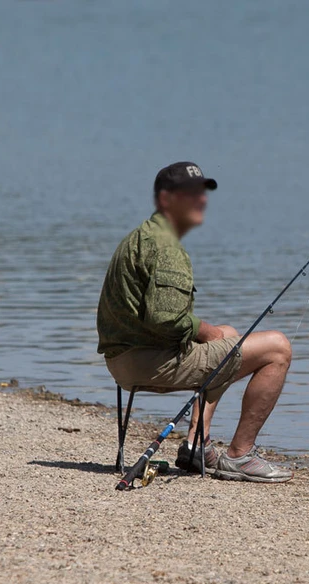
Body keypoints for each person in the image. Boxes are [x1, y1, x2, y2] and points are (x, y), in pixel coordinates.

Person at [97, 162, 293, 483]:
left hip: (122, 361)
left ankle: (195, 446)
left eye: (202, 194)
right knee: (277, 348)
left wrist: (214, 334)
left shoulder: (140, 237)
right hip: (148, 365)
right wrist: (207, 331)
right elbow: (166, 319)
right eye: (191, 195)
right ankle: (240, 454)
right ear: (165, 199)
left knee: (228, 334)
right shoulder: (167, 249)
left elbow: (158, 318)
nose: (201, 201)